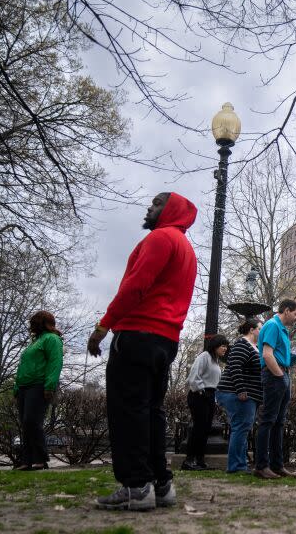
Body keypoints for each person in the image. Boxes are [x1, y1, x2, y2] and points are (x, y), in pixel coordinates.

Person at [87, 192, 197, 511]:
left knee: (128, 412)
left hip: (137, 334)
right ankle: (161, 484)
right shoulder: (186, 248)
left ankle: (136, 485)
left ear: (170, 210)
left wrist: (104, 326)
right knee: (150, 411)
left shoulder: (161, 239)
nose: (149, 208)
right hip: (166, 339)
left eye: (157, 203)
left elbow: (135, 286)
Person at [254, 300, 296, 480]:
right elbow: (267, 354)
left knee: (279, 422)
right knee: (268, 421)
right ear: (287, 310)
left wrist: (294, 359)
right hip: (276, 376)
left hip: (282, 374)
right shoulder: (273, 325)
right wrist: (280, 377)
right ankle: (261, 466)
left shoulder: (282, 329)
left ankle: (277, 465)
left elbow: (279, 355)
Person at [14, 311, 64, 471]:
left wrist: (49, 386)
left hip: (39, 385)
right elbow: (23, 366)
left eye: (35, 323)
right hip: (23, 387)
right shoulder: (34, 342)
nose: (32, 326)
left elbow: (55, 363)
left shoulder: (52, 339)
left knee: (32, 421)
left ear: (43, 323)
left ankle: (40, 459)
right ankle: (26, 460)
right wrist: (16, 387)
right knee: (25, 424)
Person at [216, 319, 263, 473]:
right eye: (260, 329)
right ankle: (236, 467)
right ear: (251, 330)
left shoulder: (254, 347)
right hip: (237, 393)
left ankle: (240, 465)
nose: (262, 332)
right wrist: (241, 389)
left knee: (242, 428)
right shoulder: (242, 344)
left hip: (248, 395)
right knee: (241, 428)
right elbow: (235, 366)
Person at [182, 335, 228, 471]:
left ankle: (200, 460)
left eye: (226, 346)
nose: (225, 348)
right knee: (199, 428)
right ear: (215, 346)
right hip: (199, 395)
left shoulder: (215, 361)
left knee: (205, 429)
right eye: (223, 346)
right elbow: (193, 376)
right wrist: (202, 391)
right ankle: (189, 460)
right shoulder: (204, 356)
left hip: (209, 395)